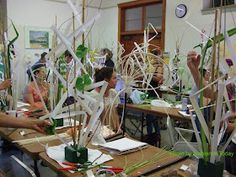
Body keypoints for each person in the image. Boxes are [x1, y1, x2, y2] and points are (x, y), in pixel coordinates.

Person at [187, 51, 236, 175]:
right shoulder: (232, 83)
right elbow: (210, 93)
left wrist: (230, 126)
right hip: (233, 145)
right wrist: (194, 70)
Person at [92, 67, 120, 131]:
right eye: (114, 78)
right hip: (99, 132)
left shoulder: (113, 93)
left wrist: (119, 129)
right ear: (106, 80)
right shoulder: (93, 96)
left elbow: (115, 114)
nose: (117, 80)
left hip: (113, 131)